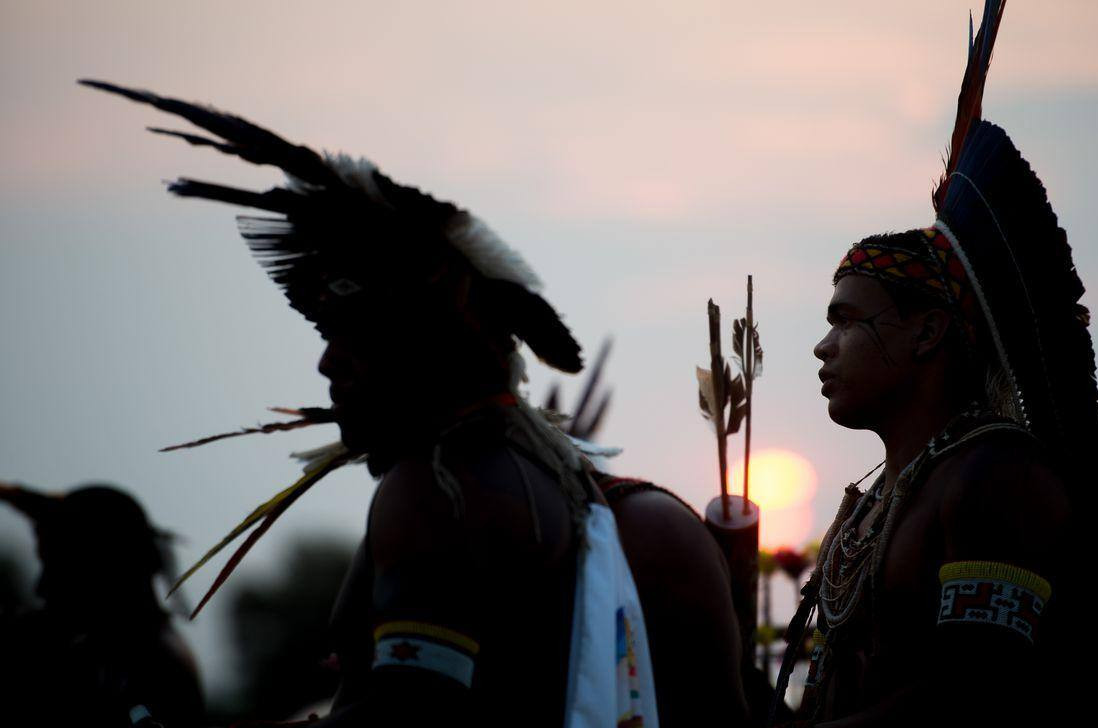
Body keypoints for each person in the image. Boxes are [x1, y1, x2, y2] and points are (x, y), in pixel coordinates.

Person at [84, 80, 748, 726]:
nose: (327, 360)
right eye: (325, 333)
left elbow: (411, 713)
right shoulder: (634, 514)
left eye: (354, 335)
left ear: (427, 349)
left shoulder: (436, 494)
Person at [770, 2, 1098, 724]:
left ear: (927, 332)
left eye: (846, 321)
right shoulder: (871, 506)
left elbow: (976, 697)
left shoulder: (996, 480)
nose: (822, 346)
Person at [0, 483, 204, 727]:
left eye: (59, 567)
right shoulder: (139, 654)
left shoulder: (143, 670)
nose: (41, 587)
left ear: (106, 566)